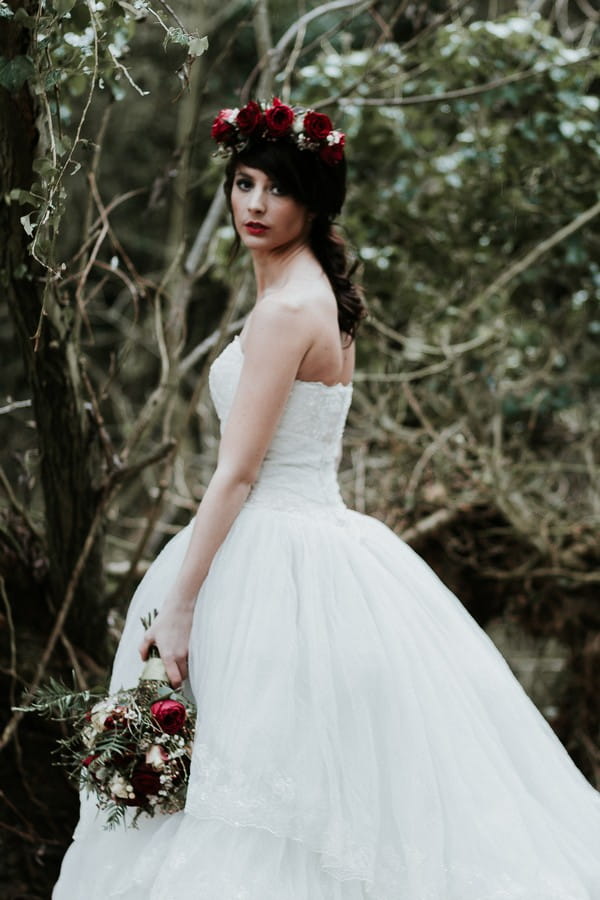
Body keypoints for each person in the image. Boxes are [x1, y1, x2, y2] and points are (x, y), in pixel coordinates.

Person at [54, 99, 600, 900]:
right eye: (243, 184)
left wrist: (180, 604)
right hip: (319, 541)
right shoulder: (318, 297)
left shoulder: (286, 311)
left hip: (268, 550)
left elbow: (237, 474)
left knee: (257, 791)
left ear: (312, 200)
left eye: (276, 188)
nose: (254, 204)